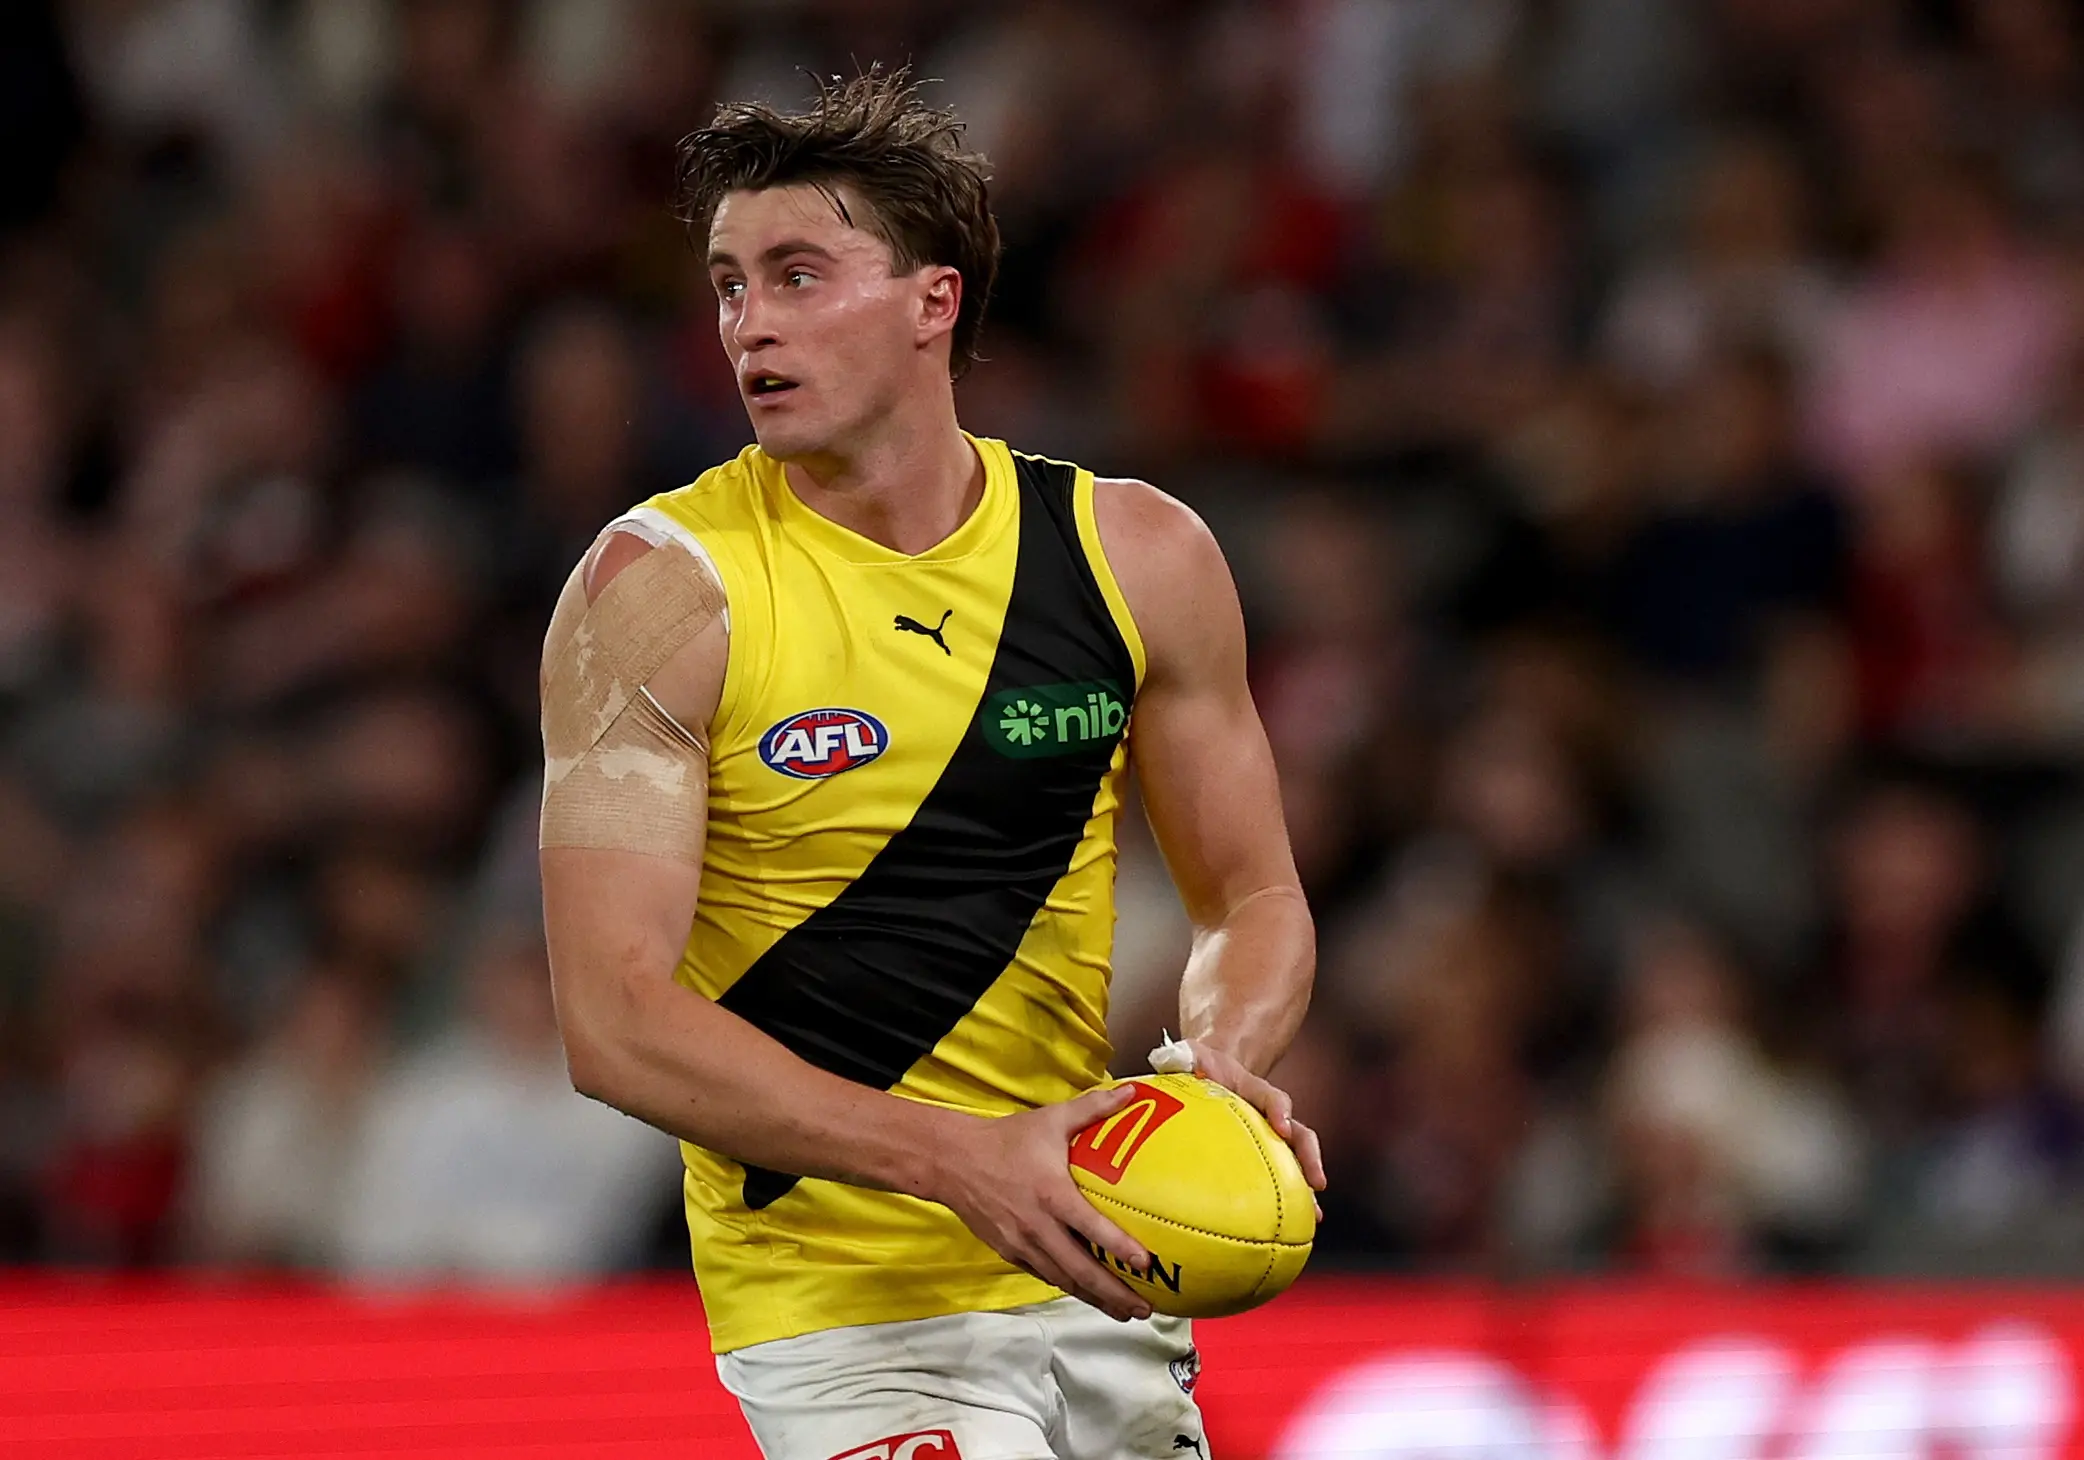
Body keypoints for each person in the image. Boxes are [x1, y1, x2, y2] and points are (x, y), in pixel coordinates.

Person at [538, 71, 1322, 1460]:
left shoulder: (1133, 559)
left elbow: (1249, 900)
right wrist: (966, 1165)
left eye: (797, 274)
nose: (750, 324)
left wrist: (1219, 1060)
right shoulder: (659, 595)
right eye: (729, 286)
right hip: (846, 1318)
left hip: (1102, 1273)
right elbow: (613, 1020)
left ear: (932, 302)